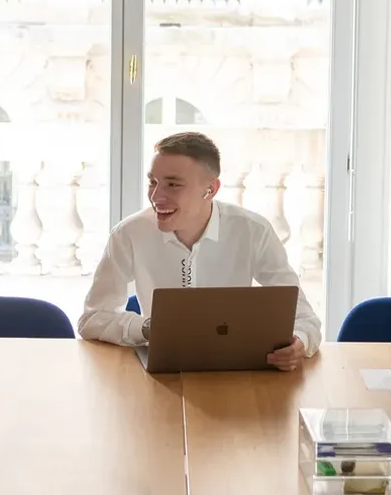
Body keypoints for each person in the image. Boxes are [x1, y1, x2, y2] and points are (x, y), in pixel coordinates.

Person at [78, 132, 321, 371]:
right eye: (153, 182)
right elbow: (92, 319)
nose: (156, 196)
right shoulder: (128, 233)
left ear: (211, 190)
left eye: (173, 184)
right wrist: (148, 327)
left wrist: (299, 342)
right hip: (161, 375)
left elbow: (306, 319)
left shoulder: (253, 231)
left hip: (239, 374)